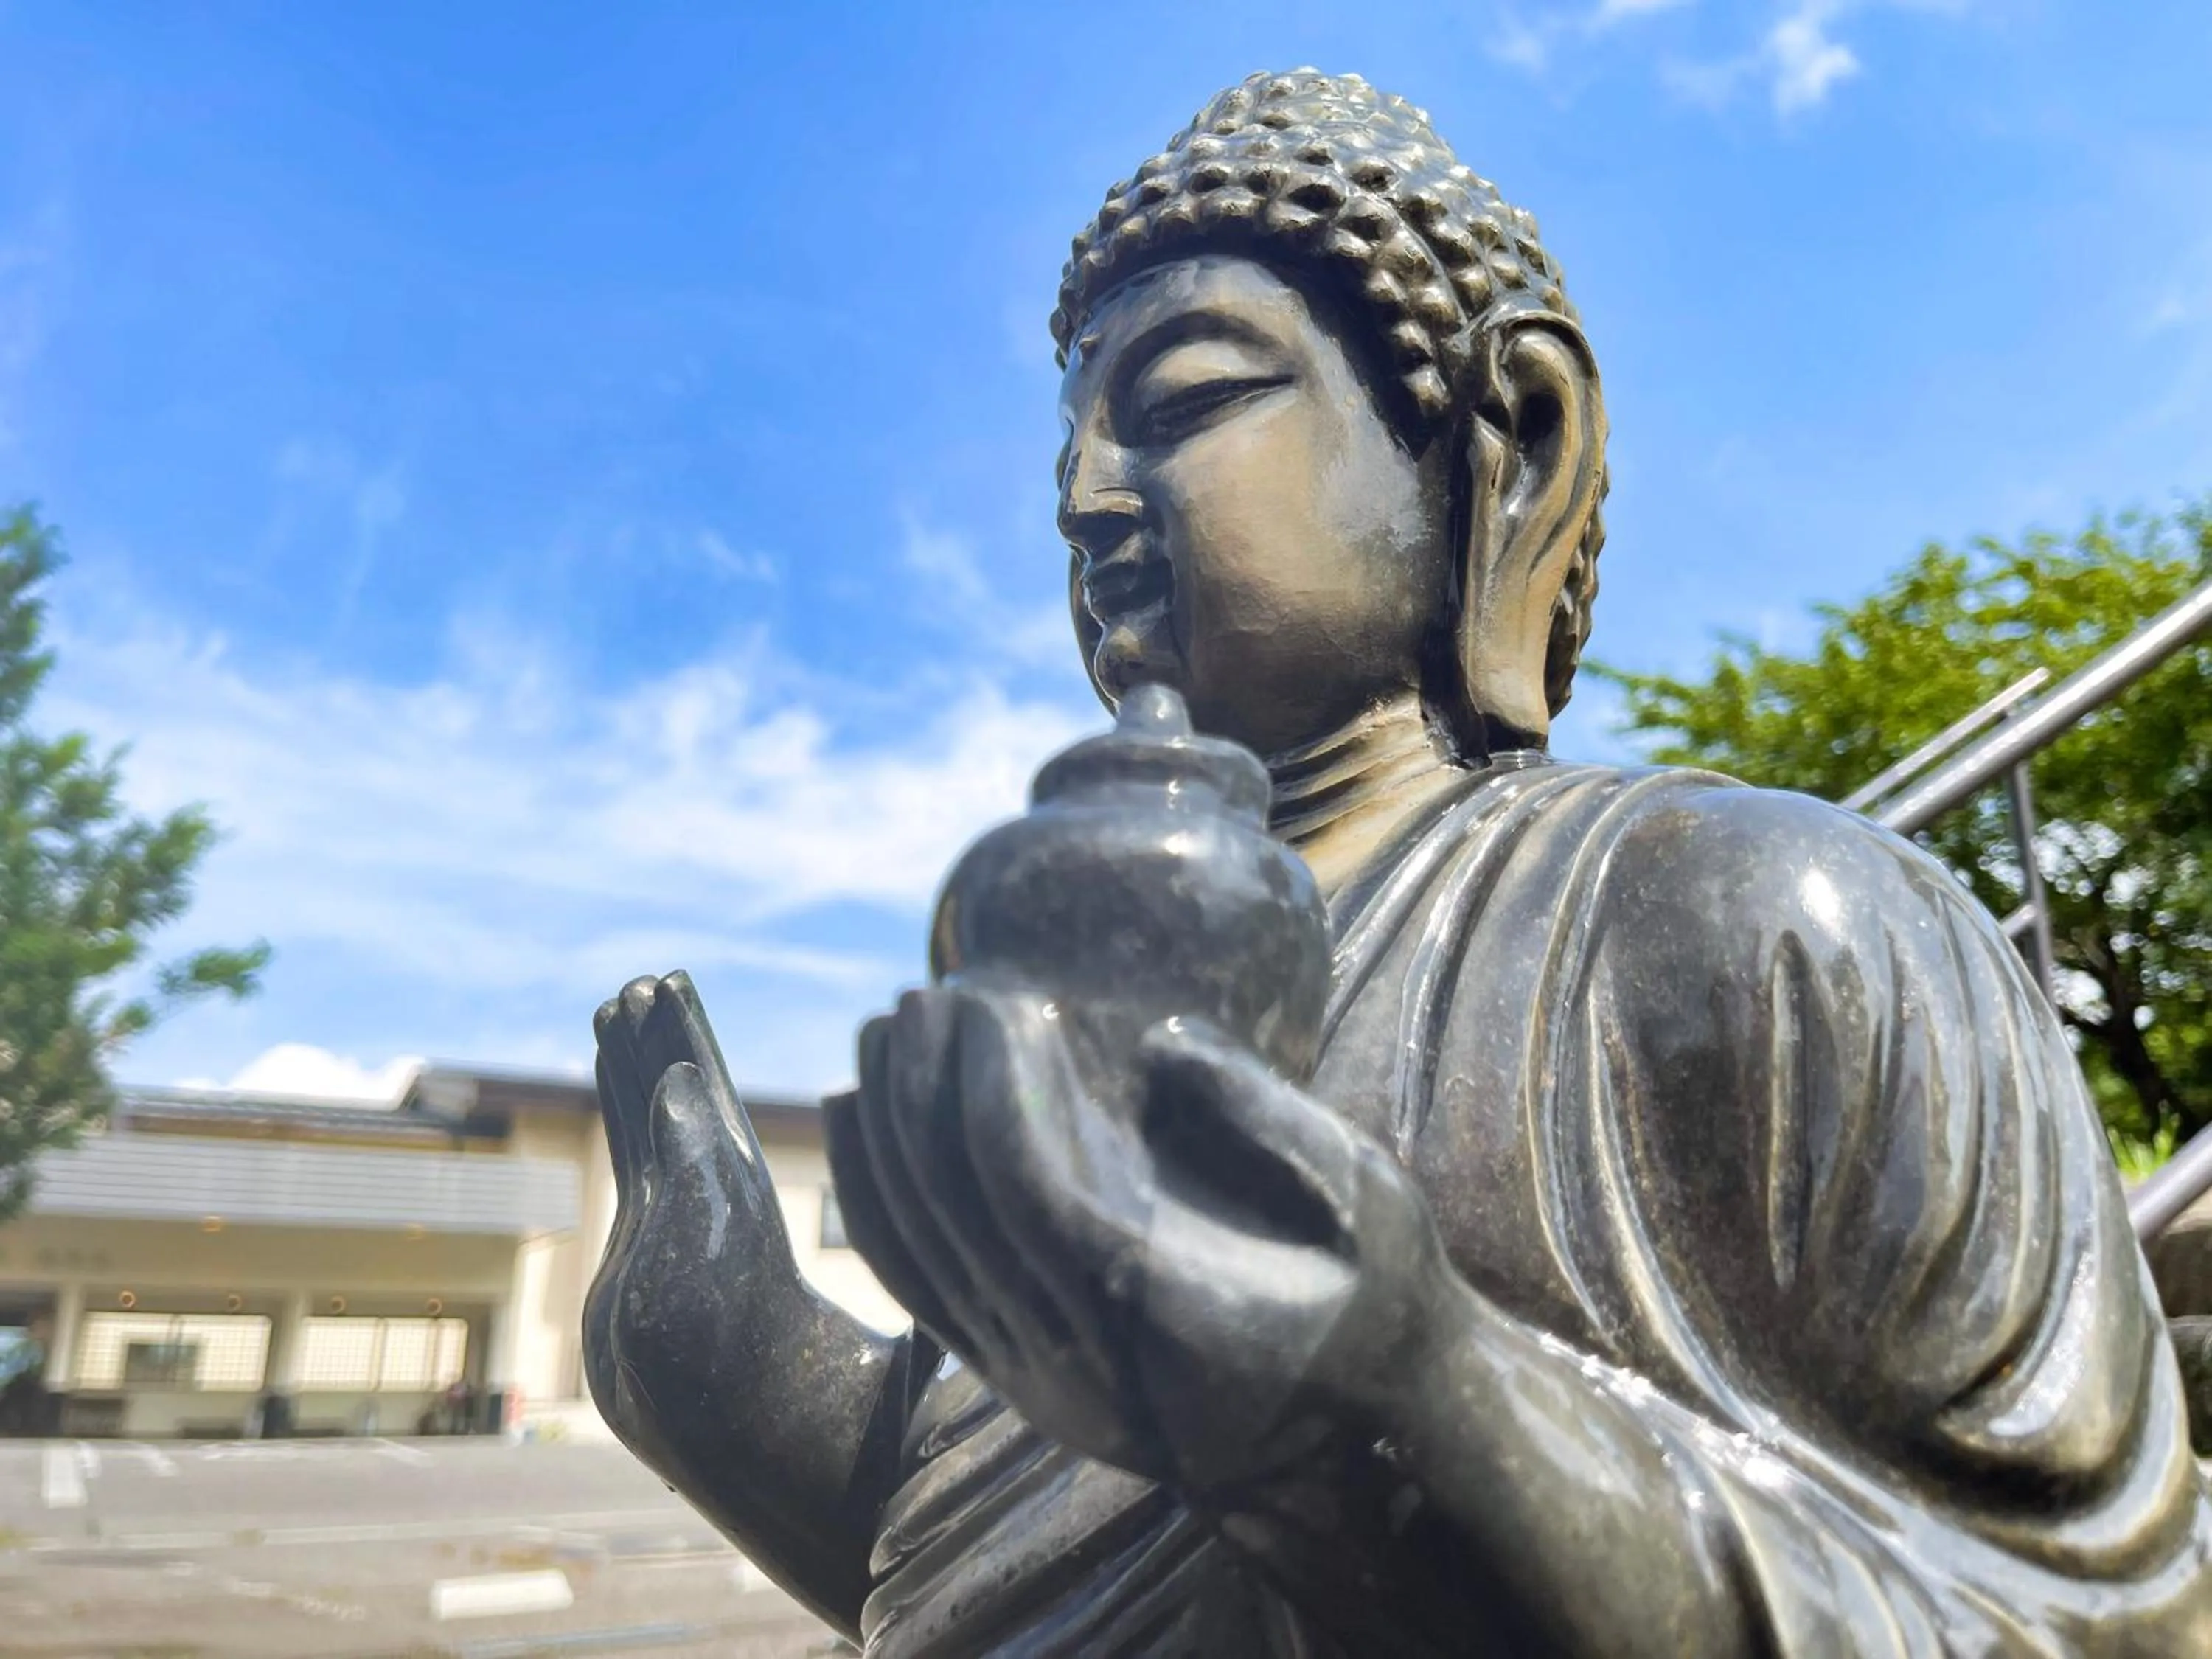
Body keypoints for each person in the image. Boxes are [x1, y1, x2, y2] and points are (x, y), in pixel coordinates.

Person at [587, 72, 2212, 1655]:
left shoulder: (1749, 925)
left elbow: (2092, 1623)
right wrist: (739, 1382)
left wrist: (1427, 1397)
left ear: (1513, 436)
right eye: (1067, 446)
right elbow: (1013, 1566)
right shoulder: (1099, 996)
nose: (1085, 501)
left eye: (1181, 403)